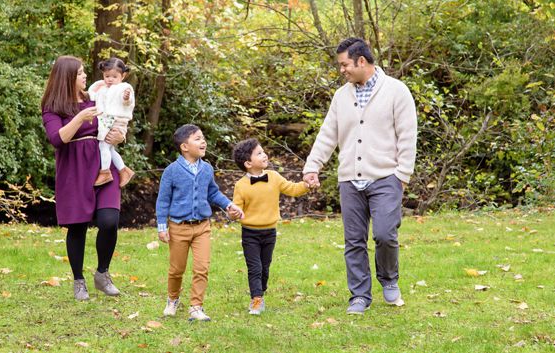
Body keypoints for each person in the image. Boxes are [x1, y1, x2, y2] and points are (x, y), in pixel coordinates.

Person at [302, 38, 417, 315]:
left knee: (385, 234)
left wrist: (402, 175)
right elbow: (328, 133)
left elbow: (408, 134)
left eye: (344, 64)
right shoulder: (342, 95)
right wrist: (312, 165)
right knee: (354, 241)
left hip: (386, 176)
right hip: (350, 179)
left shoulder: (396, 91)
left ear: (361, 61)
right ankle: (359, 296)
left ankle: (389, 279)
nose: (342, 70)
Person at [41, 55, 126, 301]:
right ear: (67, 77)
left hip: (102, 165)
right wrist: (80, 117)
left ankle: (102, 273)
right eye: (79, 73)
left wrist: (118, 135)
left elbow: (114, 122)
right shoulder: (52, 106)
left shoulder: (96, 97)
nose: (85, 76)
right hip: (74, 169)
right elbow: (57, 139)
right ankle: (79, 281)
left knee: (109, 220)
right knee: (77, 227)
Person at [156, 124, 244, 321]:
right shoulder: (171, 171)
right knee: (176, 269)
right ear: (184, 147)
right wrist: (162, 227)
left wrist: (229, 205)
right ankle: (173, 299)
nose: (203, 141)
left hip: (202, 227)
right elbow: (162, 201)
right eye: (197, 138)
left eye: (203, 138)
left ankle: (196, 307)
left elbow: (212, 192)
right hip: (178, 227)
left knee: (201, 268)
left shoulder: (206, 169)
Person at [231, 138, 309, 315]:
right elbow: (236, 208)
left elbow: (292, 188)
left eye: (263, 151)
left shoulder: (273, 177)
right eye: (259, 153)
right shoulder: (241, 185)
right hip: (250, 233)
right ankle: (256, 299)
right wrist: (234, 213)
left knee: (265, 267)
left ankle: (261, 290)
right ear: (248, 163)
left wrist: (306, 185)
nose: (264, 154)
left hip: (269, 232)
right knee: (255, 267)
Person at [88, 57, 135, 187]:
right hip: (107, 121)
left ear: (123, 75)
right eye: (107, 76)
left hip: (117, 121)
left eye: (114, 76)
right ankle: (124, 170)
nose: (110, 79)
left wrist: (126, 97)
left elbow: (127, 100)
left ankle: (105, 172)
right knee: (109, 149)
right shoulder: (103, 88)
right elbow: (93, 96)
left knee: (103, 146)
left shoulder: (124, 87)